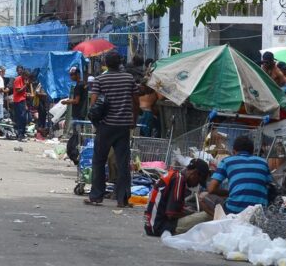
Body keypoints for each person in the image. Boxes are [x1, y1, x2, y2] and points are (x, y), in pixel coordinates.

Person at [85, 51, 139, 208]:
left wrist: (96, 123)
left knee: (99, 161)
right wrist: (133, 120)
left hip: (105, 126)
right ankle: (122, 199)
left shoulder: (100, 79)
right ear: (120, 62)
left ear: (106, 64)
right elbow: (135, 101)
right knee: (123, 163)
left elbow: (94, 103)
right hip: (123, 126)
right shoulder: (129, 78)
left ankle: (96, 196)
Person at [144, 159, 211, 236]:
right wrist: (191, 214)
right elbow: (171, 214)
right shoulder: (179, 180)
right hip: (160, 227)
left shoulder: (173, 175)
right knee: (207, 215)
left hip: (151, 226)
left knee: (193, 213)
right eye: (198, 181)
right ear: (194, 172)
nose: (196, 184)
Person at [207, 135, 273, 214]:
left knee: (203, 197)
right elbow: (269, 184)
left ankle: (222, 221)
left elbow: (211, 189)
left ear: (234, 151)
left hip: (234, 210)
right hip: (259, 211)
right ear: (252, 151)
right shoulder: (263, 162)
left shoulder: (227, 161)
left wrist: (228, 193)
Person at [63, 66, 86, 161]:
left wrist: (66, 102)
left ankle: (76, 154)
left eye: (72, 75)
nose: (71, 76)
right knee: (79, 134)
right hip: (81, 113)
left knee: (77, 135)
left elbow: (76, 101)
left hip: (78, 114)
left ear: (77, 74)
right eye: (70, 75)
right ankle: (78, 154)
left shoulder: (78, 86)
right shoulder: (83, 84)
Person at [11, 68, 29, 141]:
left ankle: (22, 133)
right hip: (18, 101)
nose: (26, 78)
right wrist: (25, 85)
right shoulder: (18, 79)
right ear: (23, 75)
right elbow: (18, 91)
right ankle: (19, 134)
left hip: (22, 101)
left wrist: (25, 104)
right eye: (26, 76)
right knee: (20, 118)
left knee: (24, 118)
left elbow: (23, 93)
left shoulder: (23, 80)